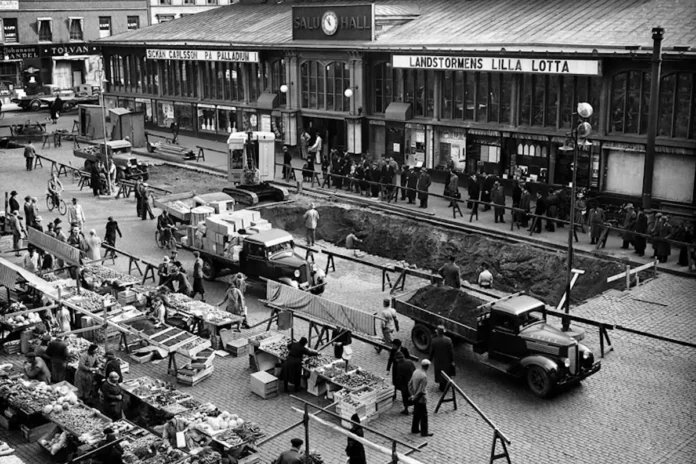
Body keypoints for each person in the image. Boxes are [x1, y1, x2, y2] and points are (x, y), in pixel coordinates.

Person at [408, 359, 433, 437]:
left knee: (416, 413)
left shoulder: (415, 372)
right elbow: (421, 390)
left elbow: (410, 384)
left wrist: (412, 394)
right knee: (424, 415)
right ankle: (424, 432)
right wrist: (415, 397)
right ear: (427, 367)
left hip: (414, 396)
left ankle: (414, 429)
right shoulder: (424, 376)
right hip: (420, 399)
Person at [429, 325, 455, 392]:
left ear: (437, 332)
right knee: (446, 372)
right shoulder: (448, 340)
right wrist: (452, 360)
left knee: (440, 373)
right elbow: (451, 352)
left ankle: (441, 387)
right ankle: (447, 385)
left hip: (438, 360)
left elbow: (431, 352)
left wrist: (429, 360)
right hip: (447, 360)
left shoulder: (434, 341)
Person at [393, 347, 415, 415]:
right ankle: (415, 409)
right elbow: (414, 370)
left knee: (405, 397)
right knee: (413, 395)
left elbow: (400, 376)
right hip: (412, 382)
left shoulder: (400, 365)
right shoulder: (410, 361)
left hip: (405, 384)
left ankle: (406, 410)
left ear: (398, 358)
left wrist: (398, 384)